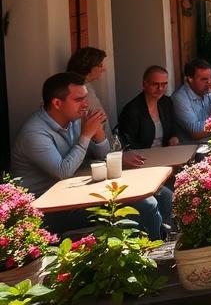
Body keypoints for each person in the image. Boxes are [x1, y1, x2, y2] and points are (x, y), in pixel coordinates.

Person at [12, 73, 169, 240]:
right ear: (57, 103)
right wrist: (86, 136)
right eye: (78, 100)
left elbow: (104, 156)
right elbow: (63, 171)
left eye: (85, 98)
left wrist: (99, 134)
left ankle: (158, 234)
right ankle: (155, 250)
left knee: (162, 194)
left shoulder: (73, 119)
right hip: (49, 208)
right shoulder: (35, 133)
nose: (85, 104)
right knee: (145, 205)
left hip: (77, 192)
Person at [118, 66, 179, 150]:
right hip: (142, 158)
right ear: (144, 84)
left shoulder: (166, 102)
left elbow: (174, 127)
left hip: (166, 154)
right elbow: (127, 142)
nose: (160, 88)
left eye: (164, 84)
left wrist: (174, 137)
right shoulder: (132, 110)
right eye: (155, 84)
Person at [172, 58, 211, 144]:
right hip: (194, 149)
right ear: (190, 79)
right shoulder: (179, 98)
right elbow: (196, 132)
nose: (209, 82)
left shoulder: (210, 92)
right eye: (204, 79)